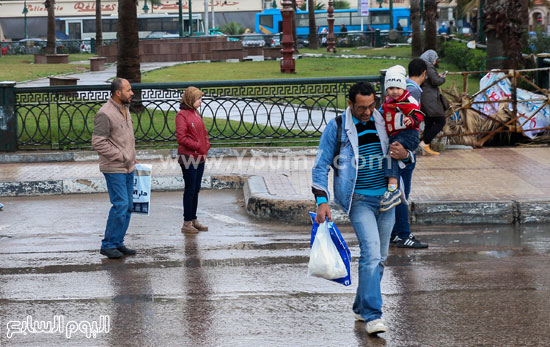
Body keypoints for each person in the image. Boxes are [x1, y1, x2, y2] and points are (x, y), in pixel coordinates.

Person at [312, 82, 409, 335]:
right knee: (371, 254)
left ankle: (359, 305)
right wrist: (322, 201)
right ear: (350, 103)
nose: (367, 112)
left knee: (381, 258)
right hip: (359, 200)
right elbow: (321, 165)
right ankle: (372, 315)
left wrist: (406, 155)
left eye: (371, 106)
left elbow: (408, 152)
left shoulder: (386, 120)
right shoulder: (337, 127)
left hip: (388, 199)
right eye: (361, 108)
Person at [92, 78, 137, 259]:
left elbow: (125, 138)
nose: (132, 92)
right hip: (114, 167)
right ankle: (108, 244)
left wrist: (131, 155)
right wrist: (123, 156)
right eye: (128, 90)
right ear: (118, 93)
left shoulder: (125, 109)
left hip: (128, 166)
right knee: (120, 205)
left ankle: (118, 242)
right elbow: (98, 142)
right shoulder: (105, 113)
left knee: (128, 206)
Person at [390, 58, 429, 249]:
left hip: (405, 146)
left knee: (398, 193)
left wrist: (411, 120)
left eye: (397, 87)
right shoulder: (406, 94)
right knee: (400, 194)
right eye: (391, 88)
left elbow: (417, 115)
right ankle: (402, 234)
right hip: (400, 151)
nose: (395, 91)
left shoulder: (404, 97)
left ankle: (397, 233)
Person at [176, 87, 211, 234]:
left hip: (200, 156)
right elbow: (181, 138)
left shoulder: (196, 113)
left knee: (196, 189)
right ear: (190, 100)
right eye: (198, 99)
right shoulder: (182, 115)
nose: (201, 102)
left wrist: (206, 145)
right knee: (190, 189)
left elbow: (204, 133)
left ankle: (193, 219)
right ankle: (186, 223)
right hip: (188, 157)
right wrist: (198, 146)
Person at [419, 49, 448, 156]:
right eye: (435, 59)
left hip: (424, 99)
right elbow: (436, 81)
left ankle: (425, 147)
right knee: (441, 121)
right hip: (430, 100)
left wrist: (436, 76)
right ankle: (424, 142)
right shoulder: (429, 66)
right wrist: (443, 78)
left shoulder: (421, 65)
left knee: (429, 123)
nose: (436, 62)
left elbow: (430, 78)